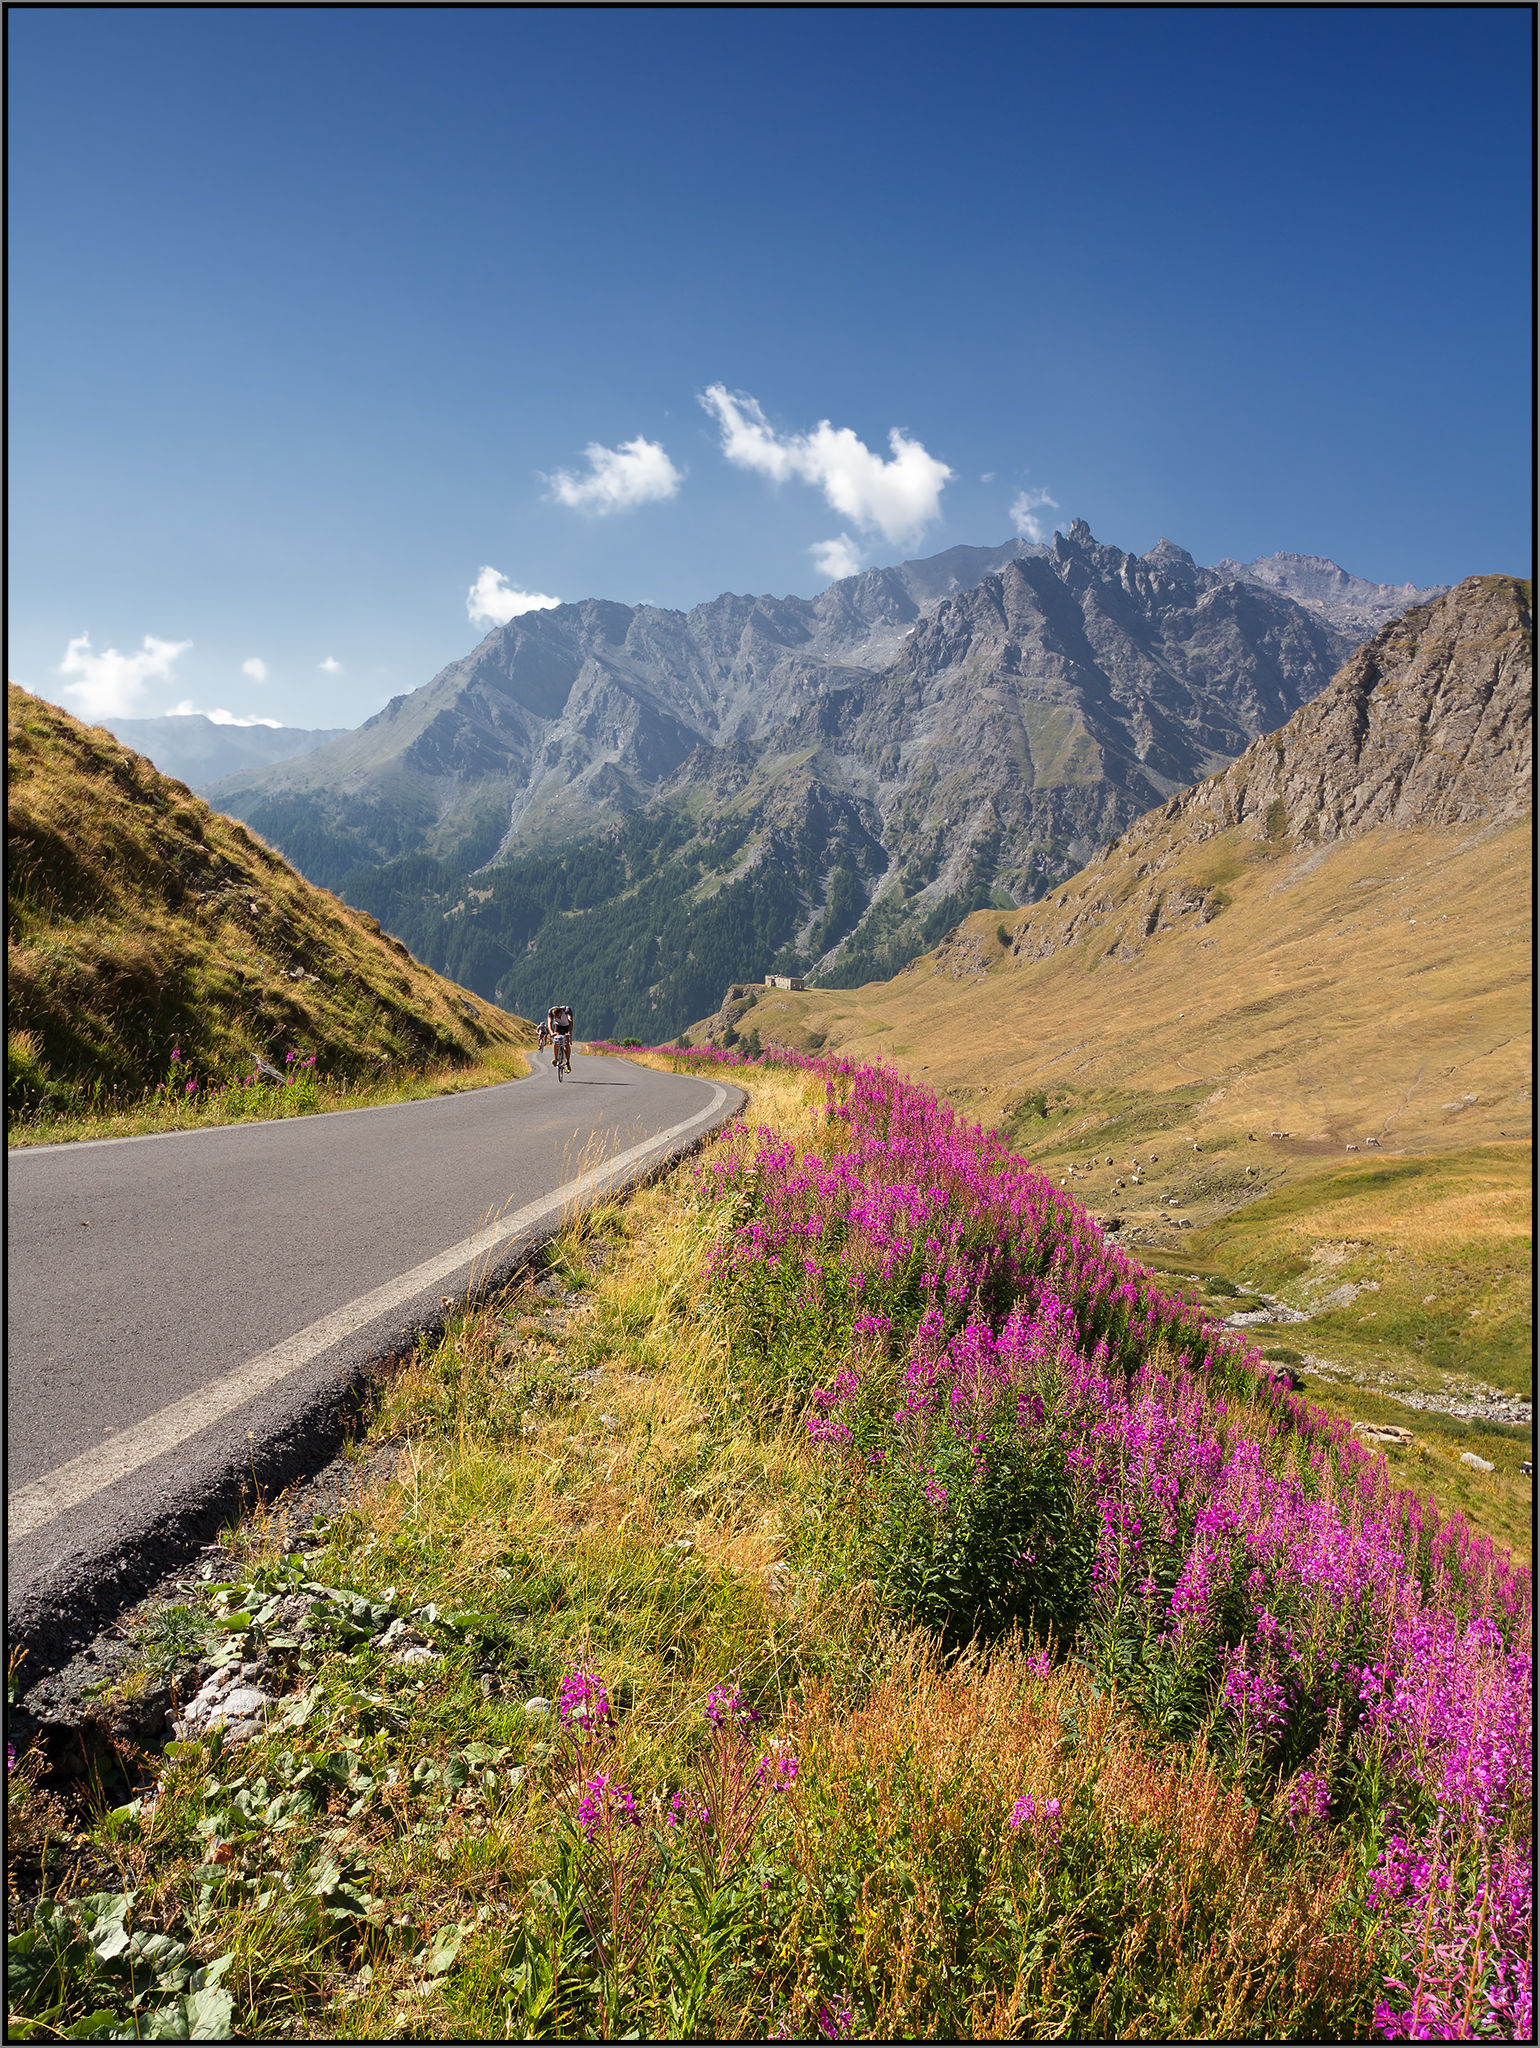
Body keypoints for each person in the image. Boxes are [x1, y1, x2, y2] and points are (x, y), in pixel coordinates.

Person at [546, 1003, 574, 1077]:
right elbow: (549, 1023)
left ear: (561, 1013)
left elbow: (570, 1020)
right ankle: (555, 1059)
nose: (557, 1018)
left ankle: (567, 1063)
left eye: (558, 1016)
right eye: (555, 1017)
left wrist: (569, 1033)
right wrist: (552, 1033)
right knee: (556, 1041)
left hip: (567, 1026)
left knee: (566, 1043)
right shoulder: (551, 1011)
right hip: (558, 1026)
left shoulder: (566, 1010)